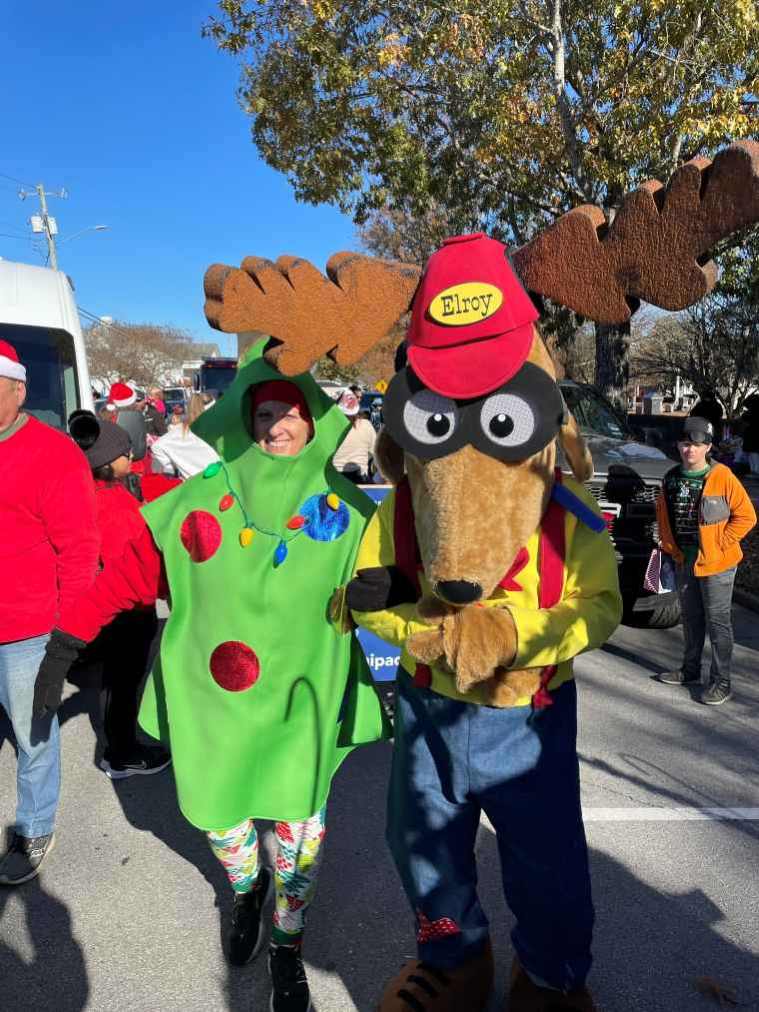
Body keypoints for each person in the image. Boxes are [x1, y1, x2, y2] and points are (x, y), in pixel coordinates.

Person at [33, 341, 388, 1012]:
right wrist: (62, 646)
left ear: (313, 421)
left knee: (297, 836)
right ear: (244, 426)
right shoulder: (198, 500)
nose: (277, 427)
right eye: (263, 416)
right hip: (212, 706)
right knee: (224, 824)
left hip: (298, 710)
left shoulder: (347, 512)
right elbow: (127, 577)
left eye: (290, 413)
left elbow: (401, 587)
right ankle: (246, 890)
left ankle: (287, 942)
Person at [0, 340, 99, 885]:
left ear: (18, 389)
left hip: (27, 630)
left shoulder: (53, 453)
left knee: (33, 731)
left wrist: (69, 636)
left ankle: (34, 824)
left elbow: (81, 549)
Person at [67, 411, 172, 778]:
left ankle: (121, 744)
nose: (134, 457)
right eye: (126, 453)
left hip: (121, 608)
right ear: (107, 463)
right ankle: (122, 752)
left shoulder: (103, 492)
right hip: (127, 608)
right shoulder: (111, 508)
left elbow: (154, 485)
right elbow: (128, 564)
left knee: (119, 679)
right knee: (123, 681)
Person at [656, 416, 756, 704]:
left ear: (708, 447)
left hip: (718, 564)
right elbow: (665, 517)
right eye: (685, 444)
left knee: (718, 623)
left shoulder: (722, 476)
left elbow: (746, 516)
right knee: (691, 618)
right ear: (678, 445)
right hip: (685, 560)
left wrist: (720, 544)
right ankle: (690, 670)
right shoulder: (672, 477)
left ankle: (722, 681)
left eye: (696, 445)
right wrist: (670, 548)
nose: (690, 450)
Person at [150, 393, 220, 479]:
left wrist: (172, 468)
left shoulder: (176, 434)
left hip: (193, 486)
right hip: (221, 484)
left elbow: (157, 447)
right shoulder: (217, 430)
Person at [331, 388, 377, 483]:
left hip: (333, 479)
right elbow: (374, 452)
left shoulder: (328, 427)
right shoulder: (366, 425)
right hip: (361, 480)